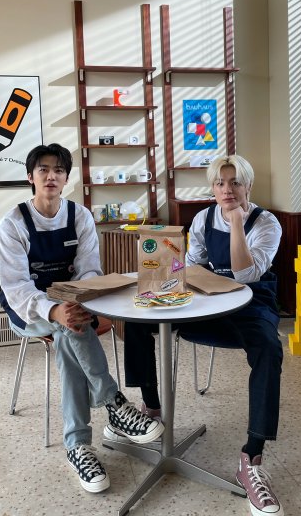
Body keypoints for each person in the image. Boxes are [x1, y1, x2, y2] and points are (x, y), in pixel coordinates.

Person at [111, 155, 284, 516]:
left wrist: (236, 223)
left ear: (248, 185)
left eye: (235, 182)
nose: (227, 189)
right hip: (209, 302)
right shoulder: (203, 219)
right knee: (140, 320)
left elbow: (246, 274)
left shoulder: (266, 223)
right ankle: (151, 411)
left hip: (251, 305)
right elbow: (193, 266)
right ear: (212, 187)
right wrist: (163, 277)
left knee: (269, 349)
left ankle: (251, 458)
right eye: (220, 183)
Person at [0, 143, 164, 494]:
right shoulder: (13, 224)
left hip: (72, 303)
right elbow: (16, 288)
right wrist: (55, 310)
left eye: (58, 170)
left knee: (69, 331)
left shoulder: (80, 216)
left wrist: (80, 300)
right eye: (43, 169)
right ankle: (113, 402)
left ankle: (78, 446)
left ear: (66, 178)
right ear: (30, 177)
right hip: (28, 309)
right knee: (68, 327)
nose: (51, 176)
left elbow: (89, 270)